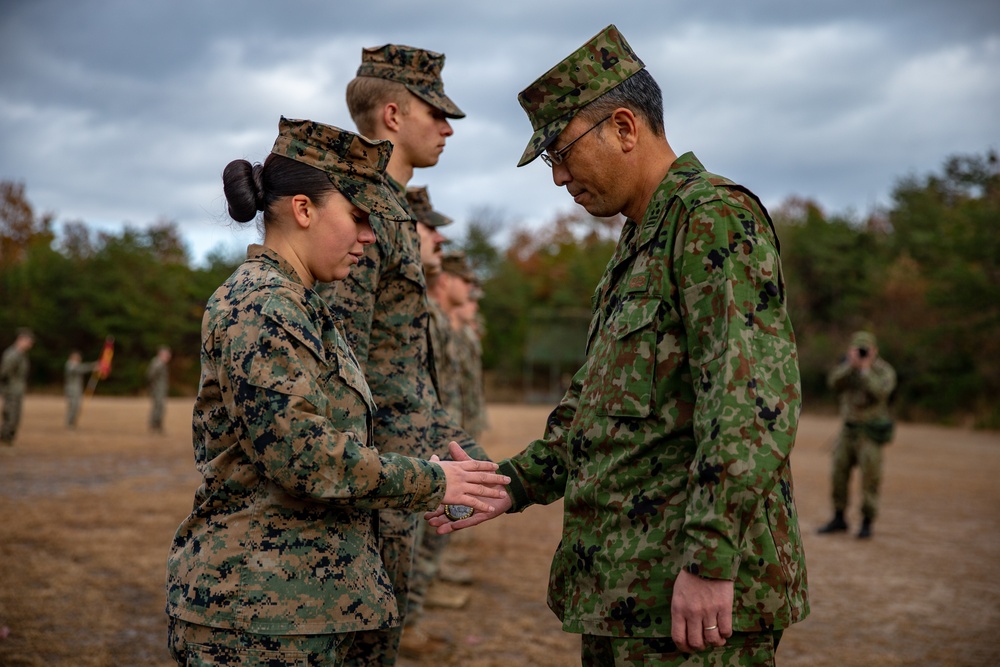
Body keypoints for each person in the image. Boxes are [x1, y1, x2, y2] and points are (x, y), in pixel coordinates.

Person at [428, 25, 808, 666]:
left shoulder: (712, 218)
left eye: (561, 152)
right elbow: (596, 408)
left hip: (688, 597)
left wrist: (712, 560)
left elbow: (751, 401)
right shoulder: (638, 243)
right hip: (628, 586)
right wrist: (515, 482)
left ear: (625, 128)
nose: (558, 178)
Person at [164, 117, 509, 667]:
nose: (369, 238)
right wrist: (433, 479)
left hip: (298, 606)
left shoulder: (302, 305)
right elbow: (302, 456)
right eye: (358, 218)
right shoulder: (262, 305)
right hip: (255, 614)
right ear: (303, 210)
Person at [314, 44, 486, 666]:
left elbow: (399, 371)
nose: (446, 127)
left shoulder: (383, 208)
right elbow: (340, 367)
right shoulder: (360, 211)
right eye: (434, 112)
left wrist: (450, 445)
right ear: (392, 114)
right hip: (372, 484)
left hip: (400, 472)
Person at [818, 330, 897, 539]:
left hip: (869, 432)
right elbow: (833, 383)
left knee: (870, 478)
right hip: (847, 430)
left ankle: (867, 522)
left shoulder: (883, 371)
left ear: (875, 351)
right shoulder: (846, 368)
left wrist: (865, 370)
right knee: (838, 474)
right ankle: (838, 517)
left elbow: (881, 393)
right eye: (858, 349)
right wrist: (851, 367)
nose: (862, 353)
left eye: (865, 349)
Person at [0, 328, 34, 445]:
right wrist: (7, 387)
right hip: (11, 390)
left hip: (17, 389)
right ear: (21, 340)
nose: (30, 345)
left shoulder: (21, 355)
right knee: (10, 415)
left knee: (15, 416)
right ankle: (5, 438)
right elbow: (4, 373)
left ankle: (8, 439)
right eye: (28, 341)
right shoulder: (12, 354)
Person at [64, 350, 98, 428]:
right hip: (71, 390)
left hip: (77, 389)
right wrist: (92, 366)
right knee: (73, 406)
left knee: (77, 407)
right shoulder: (70, 365)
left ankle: (72, 423)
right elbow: (79, 369)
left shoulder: (76, 365)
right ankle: (69, 424)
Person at [146, 345, 171, 433]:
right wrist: (154, 386)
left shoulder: (161, 363)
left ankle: (157, 426)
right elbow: (151, 375)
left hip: (160, 389)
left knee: (160, 407)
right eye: (167, 354)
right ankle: (155, 425)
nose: (168, 356)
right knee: (158, 407)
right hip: (157, 389)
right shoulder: (158, 363)